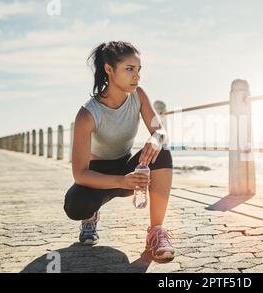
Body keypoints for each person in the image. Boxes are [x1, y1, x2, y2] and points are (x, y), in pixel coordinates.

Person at [63, 41, 174, 261]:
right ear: (109, 69)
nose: (137, 76)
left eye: (138, 69)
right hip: (96, 177)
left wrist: (155, 139)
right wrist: (122, 182)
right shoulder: (87, 114)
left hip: (125, 167)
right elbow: (80, 174)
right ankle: (90, 216)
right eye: (129, 69)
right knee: (76, 206)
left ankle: (156, 232)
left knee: (162, 152)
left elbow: (160, 131)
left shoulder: (138, 95)